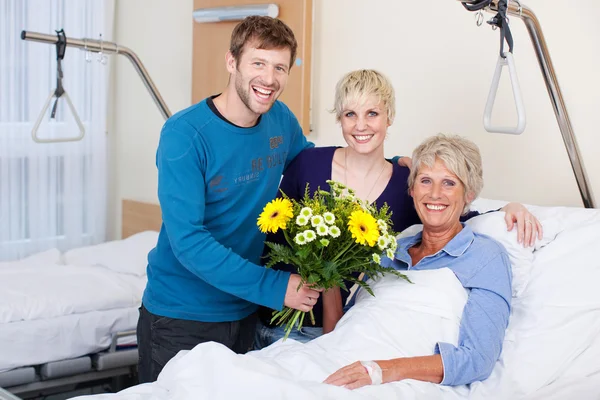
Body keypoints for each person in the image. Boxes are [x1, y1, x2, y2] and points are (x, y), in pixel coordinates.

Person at [254, 70, 542, 349]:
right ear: (339, 119)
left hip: (344, 334)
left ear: (389, 117)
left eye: (372, 114)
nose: (361, 126)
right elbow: (271, 242)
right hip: (278, 326)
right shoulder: (307, 164)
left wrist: (510, 207)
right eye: (350, 114)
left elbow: (453, 212)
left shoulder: (407, 185)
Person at [136, 16, 323, 383]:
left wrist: (390, 165)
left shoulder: (280, 120)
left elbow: (312, 168)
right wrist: (275, 286)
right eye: (258, 63)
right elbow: (189, 241)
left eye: (279, 68)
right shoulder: (185, 135)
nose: (269, 79)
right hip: (182, 317)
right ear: (232, 62)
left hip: (246, 312)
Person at [324, 134, 515, 388]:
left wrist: (380, 371)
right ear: (412, 190)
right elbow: (345, 328)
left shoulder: (485, 257)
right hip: (333, 360)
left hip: (394, 381)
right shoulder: (390, 250)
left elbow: (478, 359)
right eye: (426, 181)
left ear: (469, 194)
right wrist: (326, 274)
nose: (435, 194)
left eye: (449, 183)